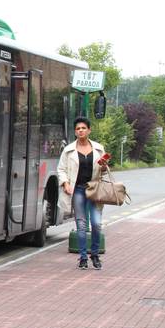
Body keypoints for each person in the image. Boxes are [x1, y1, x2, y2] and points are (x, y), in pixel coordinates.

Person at [57, 116, 109, 270]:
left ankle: (95, 254)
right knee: (81, 224)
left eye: (83, 128)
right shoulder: (68, 150)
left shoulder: (98, 149)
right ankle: (83, 257)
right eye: (78, 129)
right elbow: (61, 169)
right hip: (78, 189)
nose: (80, 131)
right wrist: (65, 183)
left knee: (96, 223)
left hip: (94, 189)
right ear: (75, 132)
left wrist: (104, 167)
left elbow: (104, 172)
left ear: (89, 130)